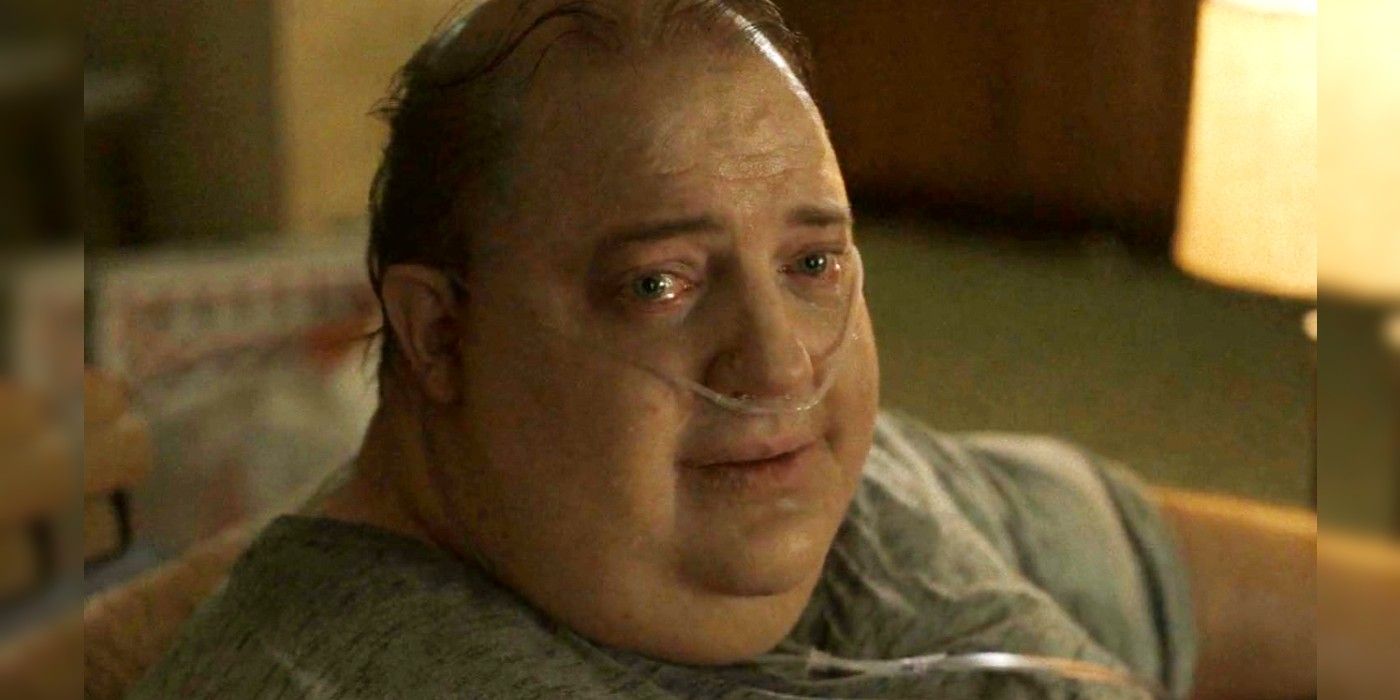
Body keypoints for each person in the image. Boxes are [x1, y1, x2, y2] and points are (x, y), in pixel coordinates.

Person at [134, 1, 1325, 697]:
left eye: (812, 263)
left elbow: (1226, 586)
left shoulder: (818, 493)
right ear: (438, 332)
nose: (780, 366)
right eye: (658, 284)